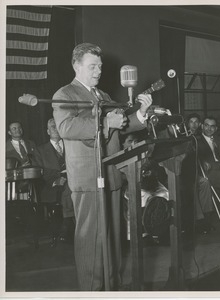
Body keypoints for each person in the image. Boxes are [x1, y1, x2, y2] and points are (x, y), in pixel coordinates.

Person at [52, 43, 153, 291]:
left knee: (113, 240)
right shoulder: (65, 94)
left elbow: (122, 125)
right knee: (91, 242)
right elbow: (67, 128)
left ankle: (112, 288)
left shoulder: (103, 96)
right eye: (92, 66)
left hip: (111, 175)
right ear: (76, 65)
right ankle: (92, 291)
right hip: (88, 179)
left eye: (100, 66)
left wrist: (141, 114)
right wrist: (106, 122)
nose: (98, 71)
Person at [34, 118, 75, 247]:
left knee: (70, 186)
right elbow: (39, 171)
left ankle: (67, 226)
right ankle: (69, 226)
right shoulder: (40, 150)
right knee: (68, 188)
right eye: (52, 127)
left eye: (58, 126)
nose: (56, 129)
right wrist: (55, 179)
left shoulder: (72, 146)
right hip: (51, 185)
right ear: (47, 131)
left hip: (74, 180)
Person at [186, 113, 214, 233]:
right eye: (191, 122)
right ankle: (199, 221)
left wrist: (204, 162)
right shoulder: (182, 135)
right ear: (187, 123)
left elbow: (203, 154)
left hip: (195, 171)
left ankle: (207, 217)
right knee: (191, 186)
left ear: (199, 124)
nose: (194, 124)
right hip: (183, 173)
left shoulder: (200, 137)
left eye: (196, 121)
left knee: (205, 183)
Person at [197, 116, 220, 199]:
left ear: (216, 128)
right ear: (202, 126)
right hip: (208, 168)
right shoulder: (197, 141)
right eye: (206, 125)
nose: (209, 129)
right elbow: (197, 159)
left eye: (212, 126)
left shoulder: (219, 139)